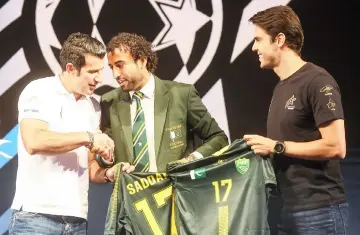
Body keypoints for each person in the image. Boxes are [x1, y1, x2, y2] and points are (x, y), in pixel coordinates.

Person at [243, 5, 348, 235]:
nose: (254, 48)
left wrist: (277, 147)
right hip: (286, 211)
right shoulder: (280, 88)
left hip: (320, 212)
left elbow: (336, 146)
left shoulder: (318, 81)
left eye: (259, 40)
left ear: (279, 39)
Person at [9, 32, 114, 235]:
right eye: (92, 72)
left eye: (101, 71)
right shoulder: (39, 91)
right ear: (70, 68)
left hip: (77, 221)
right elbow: (34, 141)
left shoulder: (93, 106)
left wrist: (108, 174)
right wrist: (89, 137)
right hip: (35, 218)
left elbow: (90, 166)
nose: (99, 79)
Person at [90, 32, 228, 182]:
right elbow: (107, 155)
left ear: (142, 61)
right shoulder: (109, 102)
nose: (115, 74)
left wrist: (191, 160)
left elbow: (218, 138)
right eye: (111, 67)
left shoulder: (181, 95)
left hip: (177, 195)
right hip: (131, 200)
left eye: (120, 65)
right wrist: (107, 159)